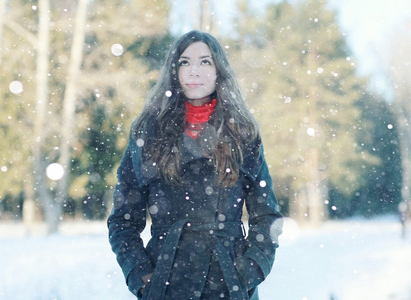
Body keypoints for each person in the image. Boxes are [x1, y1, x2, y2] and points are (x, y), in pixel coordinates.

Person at [108, 30, 283, 300]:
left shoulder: (242, 133)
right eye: (185, 62)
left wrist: (247, 272)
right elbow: (123, 220)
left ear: (218, 70)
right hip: (166, 283)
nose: (194, 72)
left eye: (205, 62)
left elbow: (266, 216)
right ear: (174, 71)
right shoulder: (148, 132)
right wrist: (142, 276)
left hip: (229, 284)